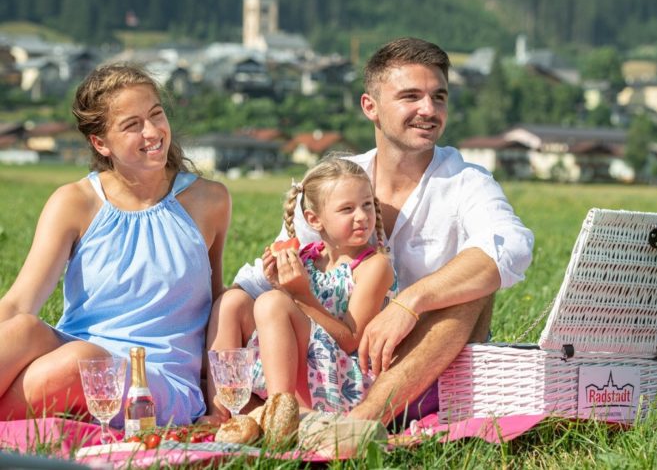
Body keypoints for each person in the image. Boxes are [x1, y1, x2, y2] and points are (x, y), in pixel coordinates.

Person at [210, 37, 534, 424]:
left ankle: (360, 423)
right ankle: (240, 417)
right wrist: (274, 274)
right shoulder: (337, 181)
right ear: (371, 107)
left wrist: (410, 301)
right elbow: (257, 282)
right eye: (411, 96)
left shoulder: (466, 181)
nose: (428, 110)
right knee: (239, 300)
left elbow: (511, 248)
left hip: (421, 367)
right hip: (336, 362)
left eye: (439, 97)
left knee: (470, 294)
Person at [0, 63, 231, 426]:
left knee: (82, 363)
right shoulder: (74, 202)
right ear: (100, 142)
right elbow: (17, 303)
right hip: (76, 355)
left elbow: (217, 309)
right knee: (23, 330)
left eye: (156, 114)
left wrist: (218, 402)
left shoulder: (209, 201)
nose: (153, 131)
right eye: (132, 124)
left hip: (157, 381)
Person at [245, 156, 396, 414]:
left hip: (341, 381)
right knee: (236, 303)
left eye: (367, 205)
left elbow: (351, 341)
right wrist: (281, 286)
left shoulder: (374, 267)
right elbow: (293, 317)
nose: (361, 216)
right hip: (308, 373)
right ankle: (232, 407)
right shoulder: (308, 259)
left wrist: (299, 294)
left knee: (271, 303)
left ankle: (281, 414)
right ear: (314, 220)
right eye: (347, 209)